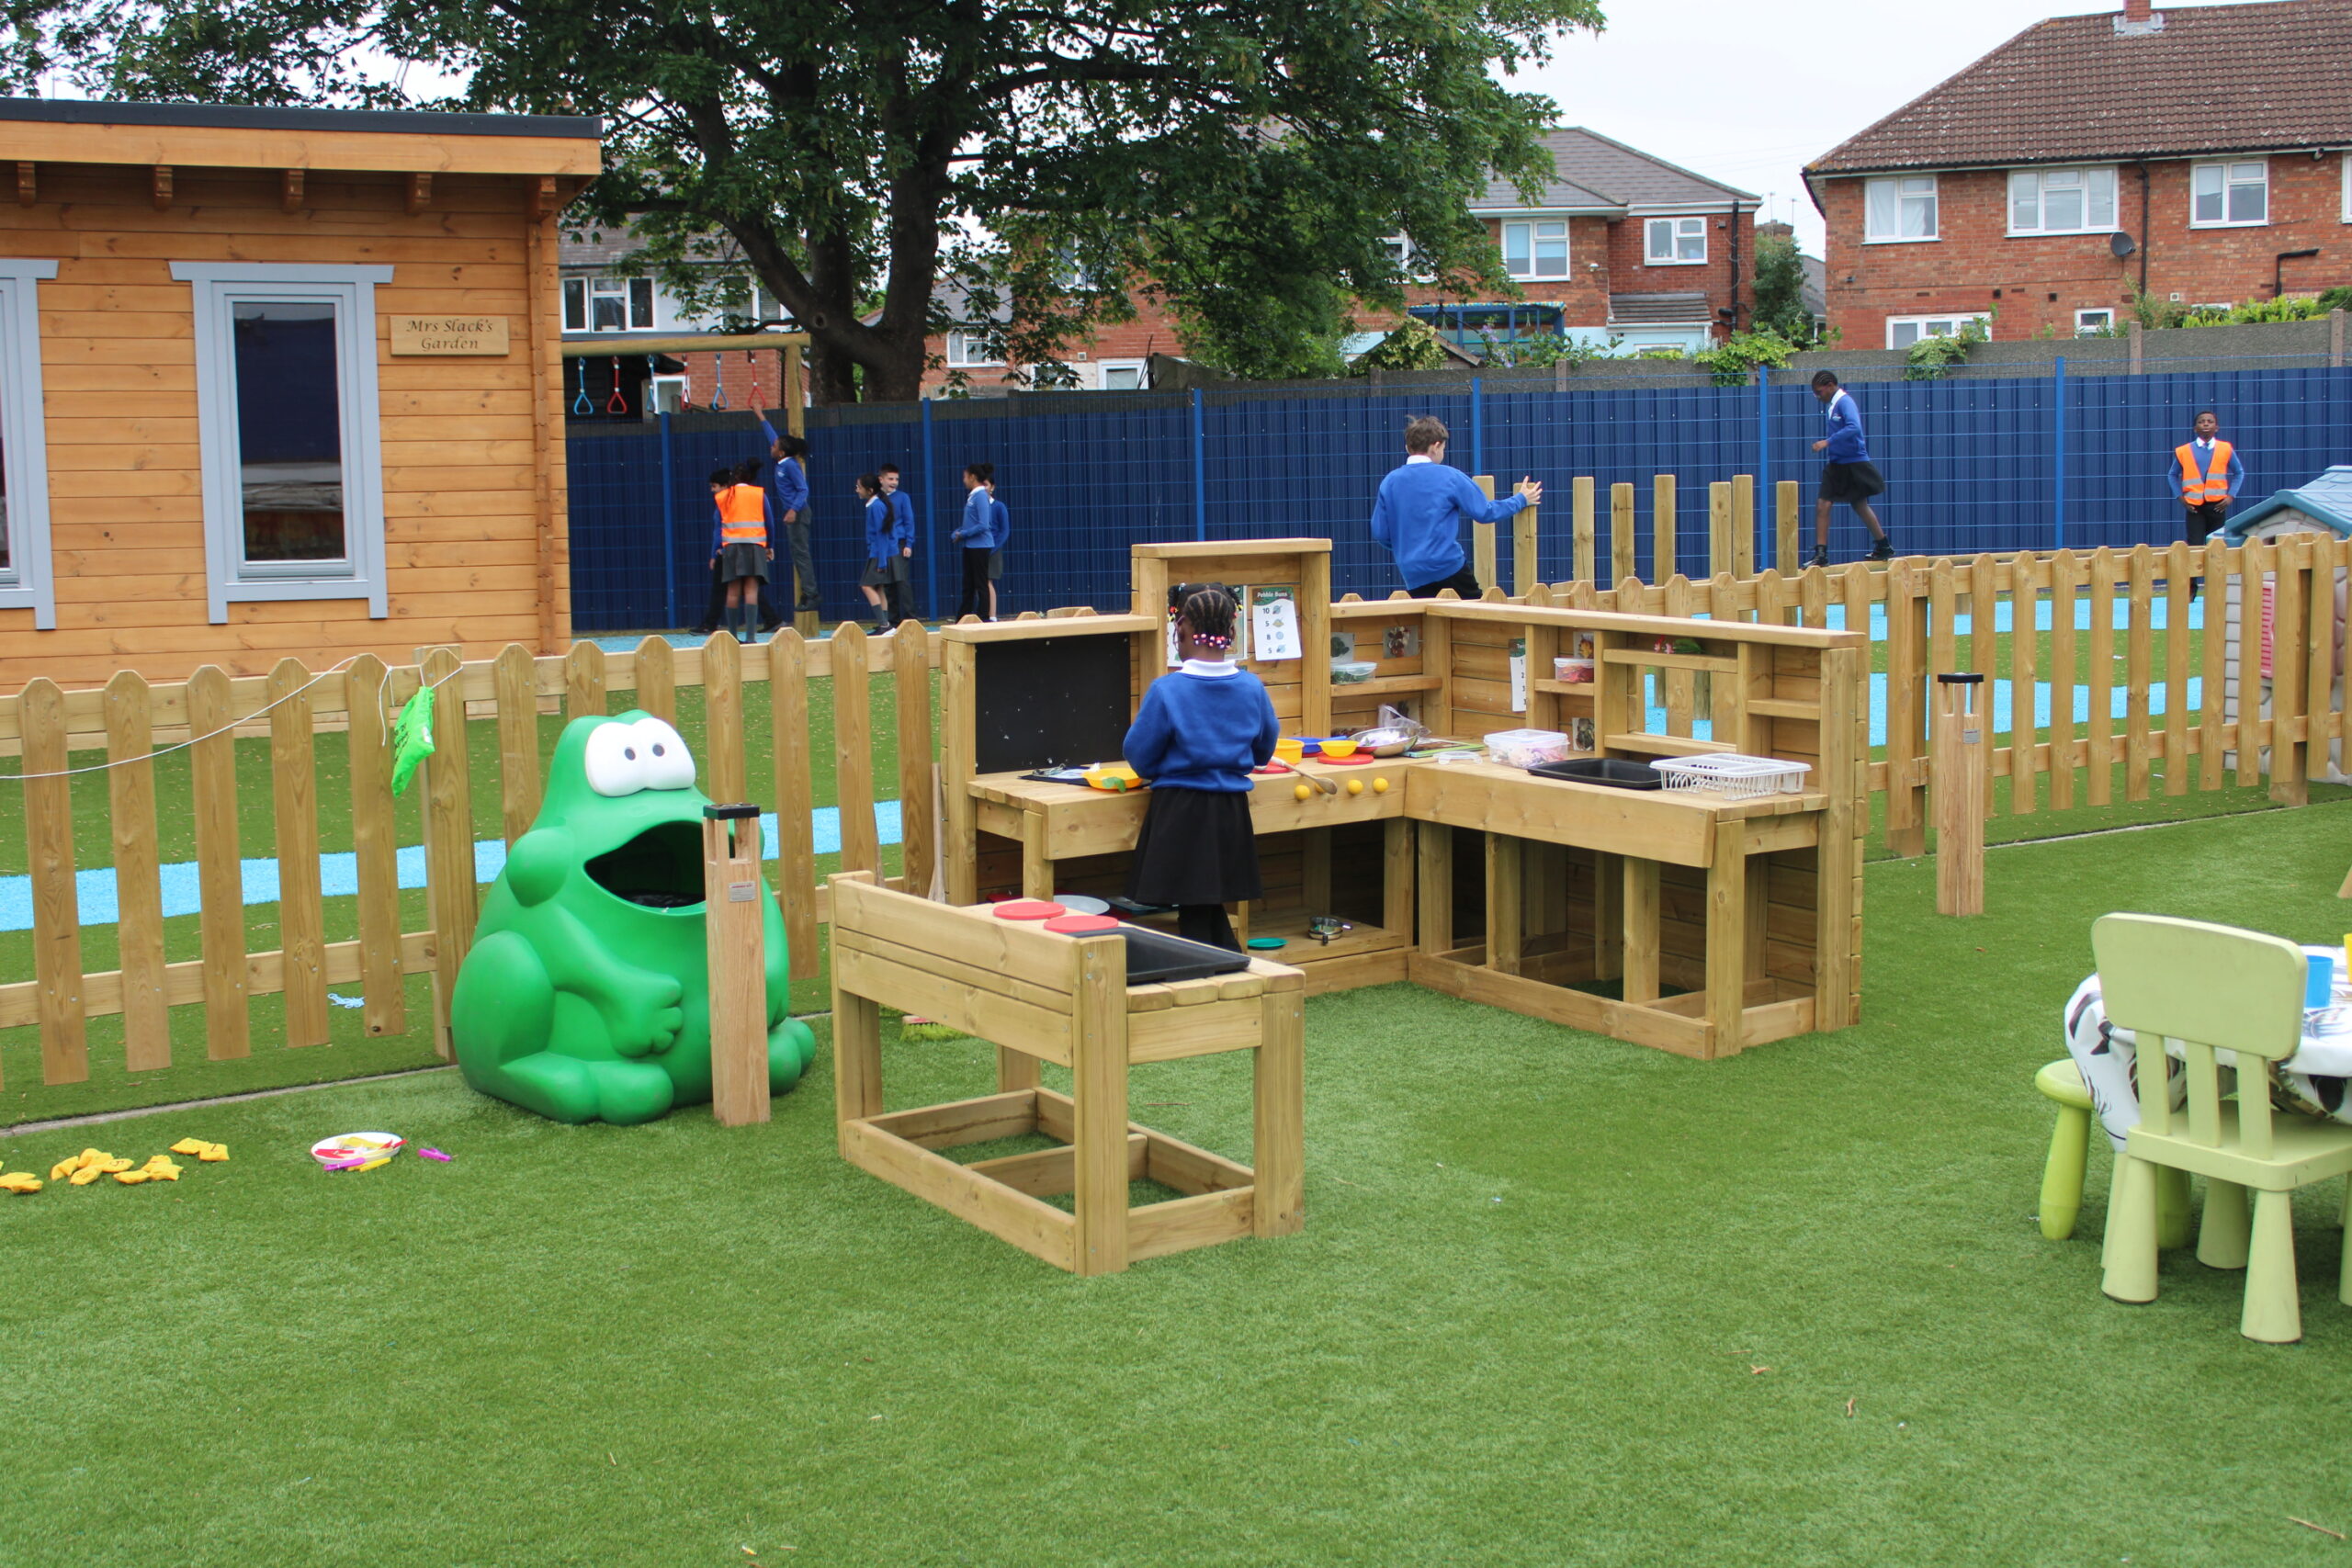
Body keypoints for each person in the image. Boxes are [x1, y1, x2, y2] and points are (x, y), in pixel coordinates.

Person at [1122, 583, 1279, 952]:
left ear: (1182, 633)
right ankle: (1231, 971)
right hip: (1230, 810)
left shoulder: (1167, 690)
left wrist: (1166, 766)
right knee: (1206, 903)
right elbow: (1264, 748)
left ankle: (1209, 983)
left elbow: (1139, 755)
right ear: (1232, 633)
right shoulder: (1252, 687)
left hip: (1179, 810)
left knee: (1195, 906)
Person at [1368, 415, 1539, 598]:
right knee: (1478, 617)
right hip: (1447, 566)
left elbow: (1380, 533)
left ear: (1407, 448)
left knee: (1429, 622)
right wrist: (1520, 500)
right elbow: (1485, 512)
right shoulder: (1450, 477)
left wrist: (1408, 546)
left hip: (1412, 570)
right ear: (1436, 446)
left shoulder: (1390, 482)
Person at [1807, 371, 1894, 567]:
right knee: (1823, 504)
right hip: (1837, 464)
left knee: (1859, 505)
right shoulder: (1832, 405)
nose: (1818, 396)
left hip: (1854, 462)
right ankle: (1821, 554)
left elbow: (1854, 427)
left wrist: (1826, 442)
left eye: (1819, 392)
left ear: (1830, 386)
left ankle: (1883, 546)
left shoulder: (1844, 402)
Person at [2169, 408, 2243, 596]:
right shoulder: (2184, 451)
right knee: (2194, 546)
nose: (2206, 424)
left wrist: (2230, 496)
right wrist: (2181, 498)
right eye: (2202, 421)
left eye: (2210, 421)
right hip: (2193, 506)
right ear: (2195, 428)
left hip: (2217, 505)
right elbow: (2172, 475)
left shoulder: (2225, 449)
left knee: (2217, 546)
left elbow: (2239, 473)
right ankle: (2190, 590)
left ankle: (2216, 589)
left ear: (2216, 427)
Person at [757, 413, 821, 615]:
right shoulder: (783, 461)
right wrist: (760, 414)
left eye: (774, 446)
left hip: (798, 513)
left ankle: (811, 594)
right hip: (794, 512)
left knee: (801, 554)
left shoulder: (791, 466)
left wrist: (793, 510)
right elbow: (772, 436)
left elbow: (803, 489)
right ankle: (809, 591)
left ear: (781, 451)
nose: (771, 446)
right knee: (797, 553)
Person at [709, 458, 773, 643]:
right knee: (751, 590)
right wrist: (770, 546)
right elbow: (769, 522)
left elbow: (718, 525)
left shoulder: (723, 496)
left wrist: (717, 550)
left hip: (731, 547)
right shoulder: (759, 494)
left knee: (732, 591)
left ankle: (732, 636)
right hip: (755, 545)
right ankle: (751, 637)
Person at [951, 462, 997, 621]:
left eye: (965, 477)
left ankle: (983, 616)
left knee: (980, 584)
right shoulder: (973, 496)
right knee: (968, 585)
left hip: (980, 546)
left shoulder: (981, 496)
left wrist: (963, 534)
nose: (963, 480)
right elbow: (971, 522)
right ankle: (963, 617)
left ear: (972, 477)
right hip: (970, 546)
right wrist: (958, 532)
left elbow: (984, 525)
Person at [854, 472, 898, 632]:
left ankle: (884, 625)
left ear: (870, 490)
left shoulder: (876, 506)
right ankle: (885, 624)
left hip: (879, 554)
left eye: (859, 487)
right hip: (878, 553)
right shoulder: (875, 505)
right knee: (878, 588)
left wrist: (882, 561)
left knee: (866, 586)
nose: (857, 490)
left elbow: (882, 534)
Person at [877, 462, 917, 624]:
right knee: (888, 583)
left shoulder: (902, 497)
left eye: (896, 479)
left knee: (902, 582)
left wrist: (909, 543)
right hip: (883, 545)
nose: (894, 482)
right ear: (881, 479)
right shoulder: (878, 498)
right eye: (890, 478)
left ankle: (910, 618)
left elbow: (909, 521)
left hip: (899, 544)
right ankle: (892, 620)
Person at [987, 479, 1010, 621]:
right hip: (979, 549)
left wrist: (993, 548)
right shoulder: (975, 505)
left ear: (993, 487)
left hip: (992, 550)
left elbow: (1004, 531)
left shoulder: (999, 507)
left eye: (986, 485)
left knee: (986, 581)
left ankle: (992, 616)